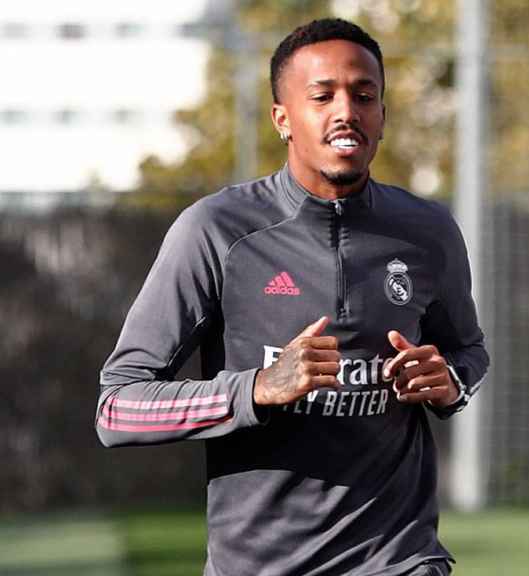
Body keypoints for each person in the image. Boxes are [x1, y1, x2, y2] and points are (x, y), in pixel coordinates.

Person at [96, 18, 488, 576]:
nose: (345, 111)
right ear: (283, 118)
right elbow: (118, 407)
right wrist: (258, 388)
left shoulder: (427, 231)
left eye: (364, 95)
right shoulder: (217, 230)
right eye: (322, 96)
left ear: (382, 115)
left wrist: (448, 381)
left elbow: (470, 350)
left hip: (398, 558)